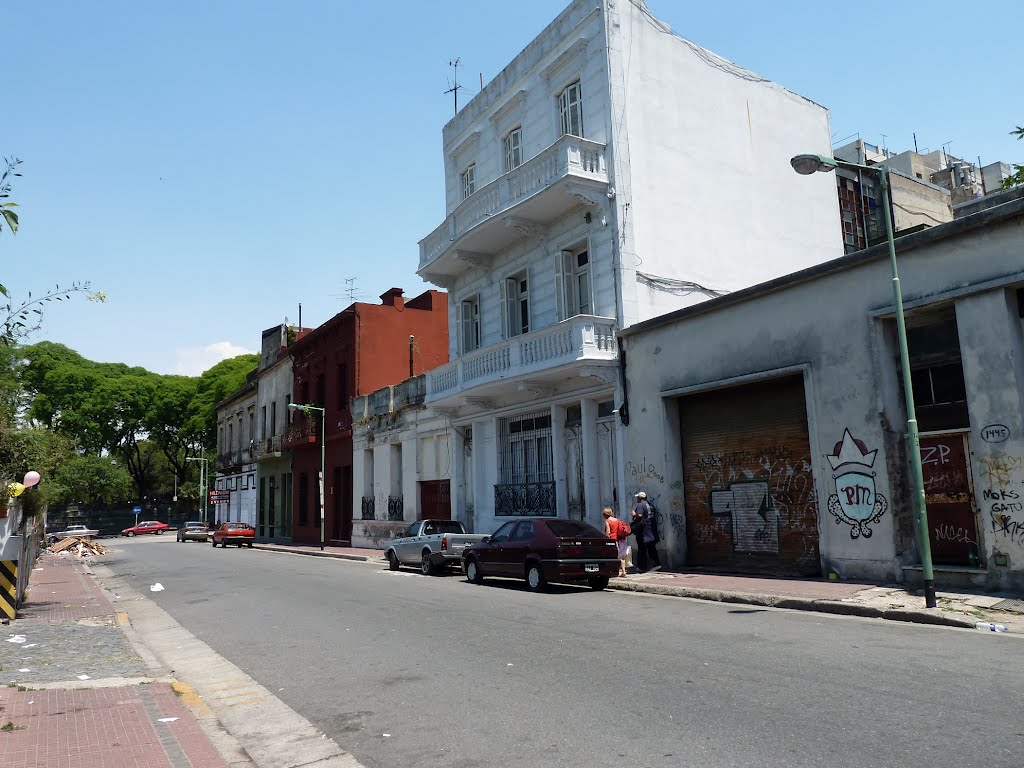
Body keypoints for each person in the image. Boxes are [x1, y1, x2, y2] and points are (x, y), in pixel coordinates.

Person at [631, 491, 661, 573]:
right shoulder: (650, 505)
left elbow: (640, 515)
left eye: (637, 497)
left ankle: (642, 567)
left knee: (641, 549)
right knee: (651, 547)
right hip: (651, 530)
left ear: (640, 498)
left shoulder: (641, 505)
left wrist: (634, 514)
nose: (637, 498)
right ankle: (656, 564)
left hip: (643, 531)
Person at [602, 507, 629, 577]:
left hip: (613, 540)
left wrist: (606, 540)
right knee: (622, 557)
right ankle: (623, 572)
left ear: (605, 514)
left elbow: (608, 532)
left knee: (613, 557)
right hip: (621, 540)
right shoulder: (617, 520)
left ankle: (614, 571)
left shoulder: (607, 521)